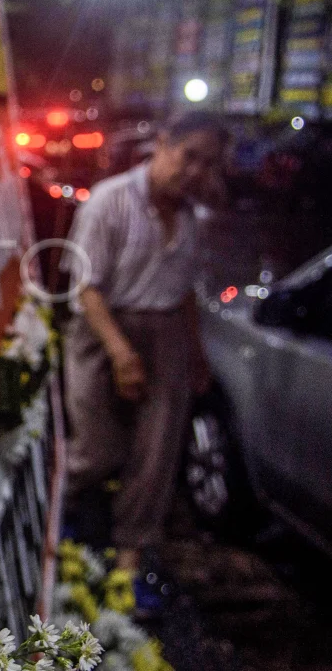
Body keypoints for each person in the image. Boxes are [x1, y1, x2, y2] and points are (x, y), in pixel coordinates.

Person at [63, 111, 227, 581]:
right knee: (96, 447)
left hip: (167, 331)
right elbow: (86, 287)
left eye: (207, 163)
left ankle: (130, 561)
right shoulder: (110, 201)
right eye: (188, 156)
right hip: (104, 329)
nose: (194, 171)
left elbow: (185, 288)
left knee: (156, 452)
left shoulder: (193, 216)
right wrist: (120, 353)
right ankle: (66, 523)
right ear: (163, 143)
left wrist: (196, 352)